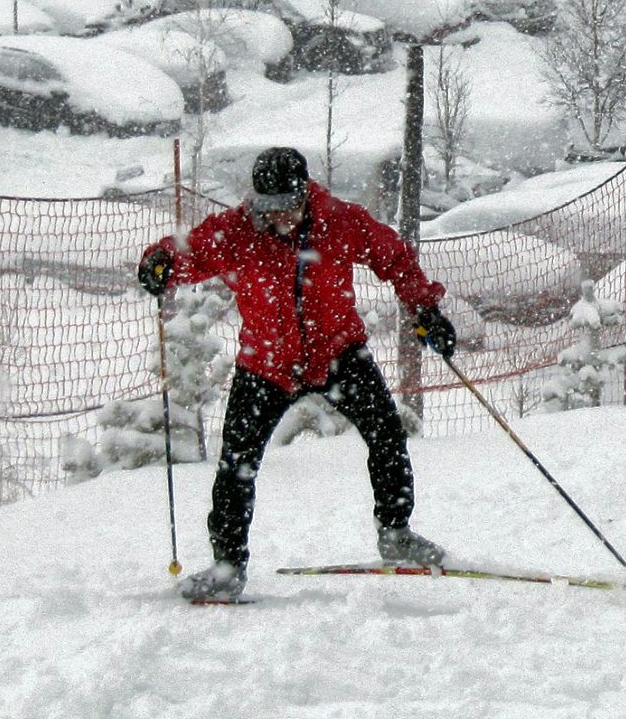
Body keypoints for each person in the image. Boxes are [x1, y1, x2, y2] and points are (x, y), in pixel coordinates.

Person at [138, 147, 459, 601]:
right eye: (268, 208)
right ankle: (228, 565)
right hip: (267, 365)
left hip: (339, 352)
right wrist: (161, 261)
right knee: (237, 465)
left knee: (386, 434)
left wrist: (423, 305)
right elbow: (191, 251)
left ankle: (396, 534)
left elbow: (393, 257)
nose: (280, 217)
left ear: (306, 193)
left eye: (289, 204)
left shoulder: (339, 221)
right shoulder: (238, 230)